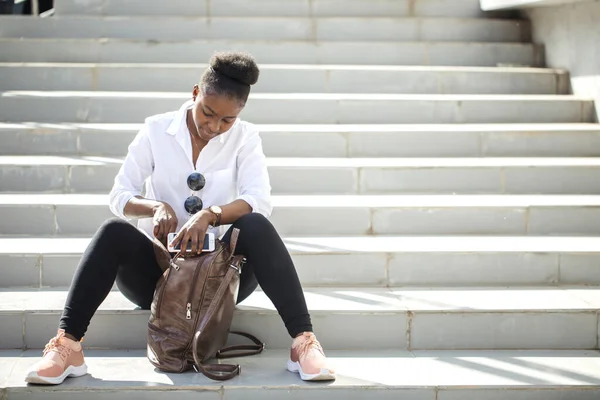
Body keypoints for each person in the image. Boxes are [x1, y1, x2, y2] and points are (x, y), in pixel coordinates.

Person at [25, 52, 335, 384]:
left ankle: (303, 343)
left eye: (226, 121)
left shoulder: (245, 137)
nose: (214, 127)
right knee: (113, 231)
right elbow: (119, 195)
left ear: (240, 114)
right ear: (194, 94)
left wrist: (211, 214)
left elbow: (258, 200)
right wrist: (155, 207)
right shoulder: (156, 129)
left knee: (256, 225)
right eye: (208, 112)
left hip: (219, 281)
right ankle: (67, 345)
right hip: (157, 279)